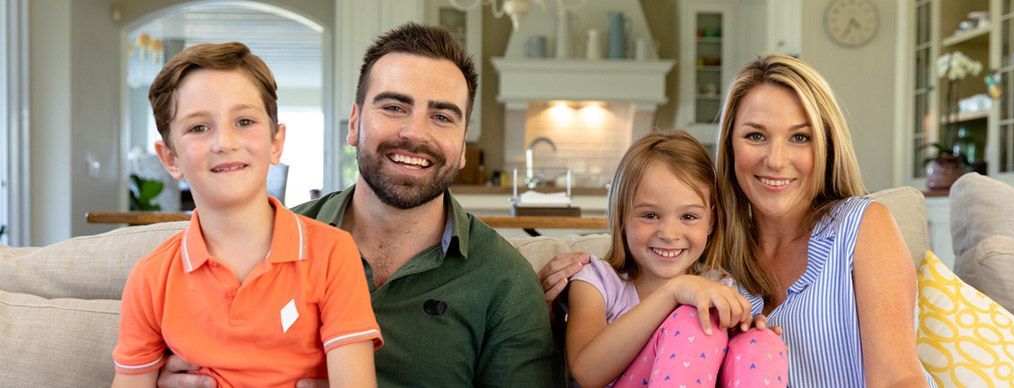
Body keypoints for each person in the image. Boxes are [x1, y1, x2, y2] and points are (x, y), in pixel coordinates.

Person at [159, 24, 561, 387]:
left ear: (461, 149)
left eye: (441, 116)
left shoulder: (504, 280)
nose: (414, 133)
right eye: (393, 107)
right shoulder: (266, 241)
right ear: (354, 123)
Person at [542, 55, 936, 387]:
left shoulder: (862, 226)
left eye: (799, 137)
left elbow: (897, 377)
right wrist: (554, 286)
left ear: (826, 146)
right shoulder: (711, 262)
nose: (776, 160)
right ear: (729, 145)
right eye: (755, 136)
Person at [111, 42, 380, 387]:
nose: (224, 142)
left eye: (244, 121)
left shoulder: (333, 254)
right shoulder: (151, 277)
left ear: (275, 142)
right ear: (170, 159)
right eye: (198, 127)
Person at [565, 130, 787, 387]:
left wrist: (744, 331)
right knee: (693, 317)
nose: (669, 234)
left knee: (761, 342)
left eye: (688, 217)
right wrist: (674, 291)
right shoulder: (596, 281)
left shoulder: (719, 285)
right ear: (622, 217)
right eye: (650, 215)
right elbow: (587, 373)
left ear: (710, 221)